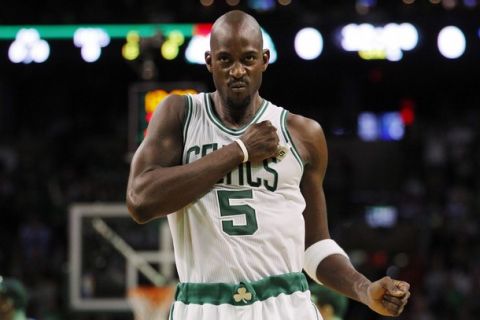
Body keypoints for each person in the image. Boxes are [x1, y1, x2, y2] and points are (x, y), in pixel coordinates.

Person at [126, 10, 410, 319]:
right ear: (209, 61)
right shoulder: (180, 113)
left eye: (247, 59)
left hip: (285, 304)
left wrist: (363, 289)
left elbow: (314, 245)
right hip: (204, 303)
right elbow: (140, 201)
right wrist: (238, 151)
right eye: (225, 60)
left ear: (264, 59)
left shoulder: (303, 134)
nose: (237, 71)